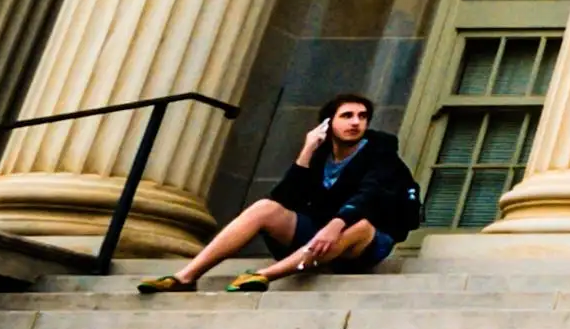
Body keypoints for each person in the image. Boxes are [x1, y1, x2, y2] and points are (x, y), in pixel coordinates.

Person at [137, 97, 419, 293]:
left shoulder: (381, 151)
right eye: (347, 116)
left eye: (362, 117)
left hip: (366, 240)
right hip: (319, 233)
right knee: (264, 208)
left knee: (361, 225)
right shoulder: (320, 153)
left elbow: (369, 195)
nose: (356, 122)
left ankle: (266, 275)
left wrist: (336, 224)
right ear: (328, 123)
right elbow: (284, 197)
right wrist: (307, 150)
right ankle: (186, 276)